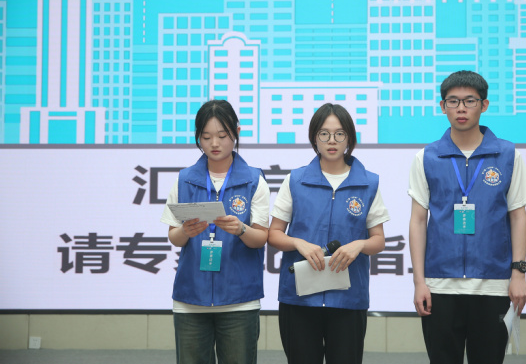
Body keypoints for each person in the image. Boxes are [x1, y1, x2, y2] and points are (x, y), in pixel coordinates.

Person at [408, 70, 526, 364]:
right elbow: (418, 221)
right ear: (442, 107)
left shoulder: (507, 155)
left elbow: (518, 216)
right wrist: (419, 282)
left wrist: (518, 273)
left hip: (494, 284)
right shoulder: (426, 157)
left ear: (484, 105)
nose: (461, 108)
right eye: (453, 101)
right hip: (439, 285)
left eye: (470, 101)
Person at [268, 103, 390, 364]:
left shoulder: (368, 183)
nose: (332, 141)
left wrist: (359, 245)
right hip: (300, 298)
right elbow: (274, 234)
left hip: (348, 298)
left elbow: (378, 240)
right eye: (324, 134)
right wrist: (298, 243)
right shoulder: (295, 180)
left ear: (350, 138)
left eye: (339, 133)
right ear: (314, 138)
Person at [160, 99, 270, 364]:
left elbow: (261, 238)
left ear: (236, 132)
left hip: (239, 300)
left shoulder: (254, 180)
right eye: (206, 137)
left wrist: (241, 229)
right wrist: (186, 230)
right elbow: (174, 237)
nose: (214, 143)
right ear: (198, 137)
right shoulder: (184, 179)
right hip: (191, 300)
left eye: (222, 135)